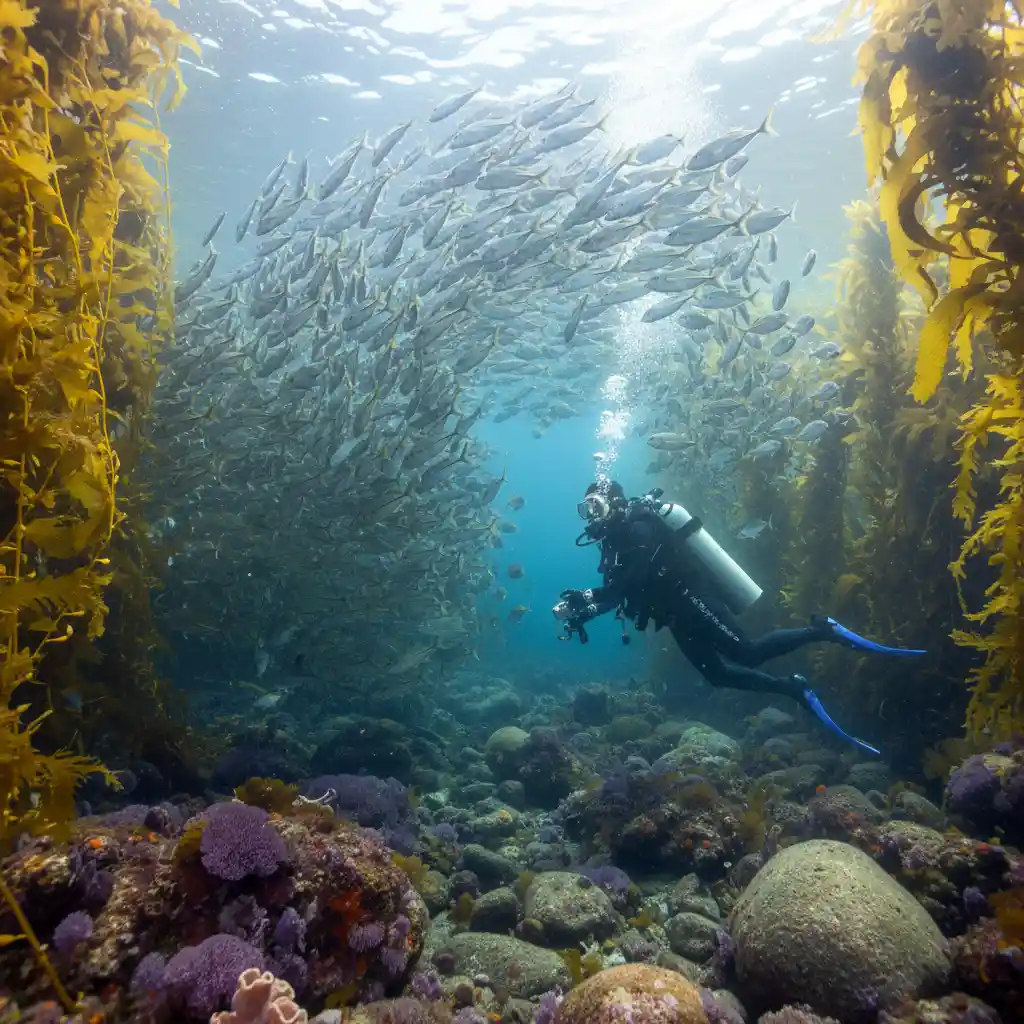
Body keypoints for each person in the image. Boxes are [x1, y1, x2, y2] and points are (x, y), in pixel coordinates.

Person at [554, 480, 926, 755]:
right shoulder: (613, 544)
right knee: (717, 675)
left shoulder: (639, 526)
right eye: (587, 510)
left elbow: (634, 580)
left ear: (614, 503)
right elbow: (622, 593)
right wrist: (584, 612)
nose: (592, 517)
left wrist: (590, 596)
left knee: (748, 653)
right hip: (676, 615)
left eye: (596, 506)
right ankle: (793, 689)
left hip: (692, 599)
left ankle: (821, 629)